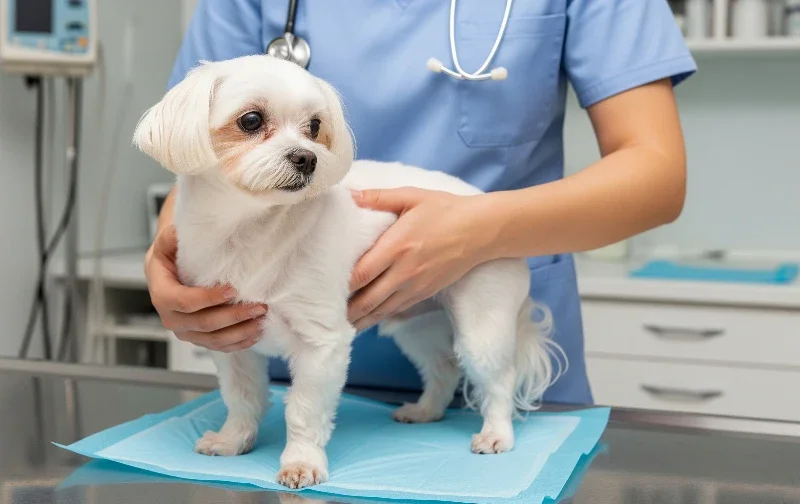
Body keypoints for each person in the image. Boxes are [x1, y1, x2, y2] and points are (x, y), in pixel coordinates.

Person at [145, 0, 696, 405]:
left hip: (495, 357)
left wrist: (477, 231)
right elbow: (201, 146)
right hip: (295, 388)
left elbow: (656, 175)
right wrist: (172, 258)